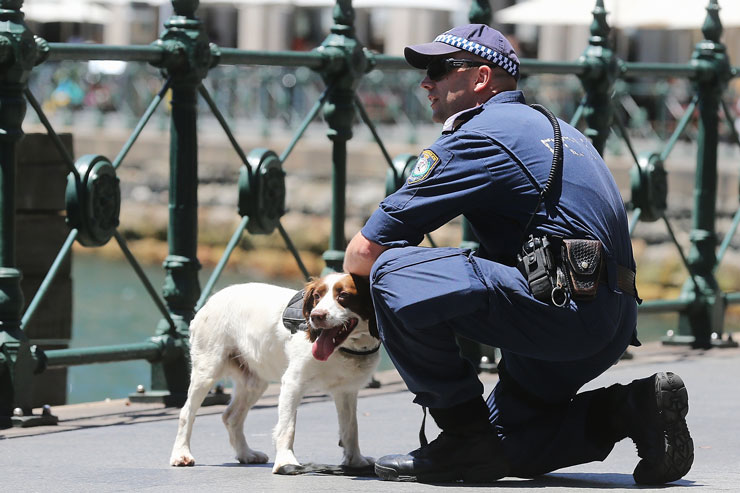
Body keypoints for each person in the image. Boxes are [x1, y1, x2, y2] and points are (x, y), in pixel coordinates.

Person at [343, 24, 693, 484]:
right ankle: (635, 408)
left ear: (482, 77)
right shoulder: (559, 127)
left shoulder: (478, 135)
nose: (426, 82)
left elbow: (365, 253)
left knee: (391, 275)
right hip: (612, 317)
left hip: (562, 314)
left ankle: (462, 441)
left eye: (440, 69)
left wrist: (336, 297)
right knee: (506, 448)